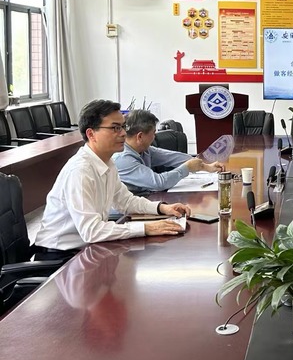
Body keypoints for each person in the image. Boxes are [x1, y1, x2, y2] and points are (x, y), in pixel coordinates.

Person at [33, 100, 190, 258]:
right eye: (115, 128)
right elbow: (91, 231)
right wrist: (147, 228)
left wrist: (162, 208)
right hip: (61, 256)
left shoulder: (107, 162)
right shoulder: (80, 171)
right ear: (91, 134)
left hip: (88, 248)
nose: (123, 133)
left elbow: (126, 201)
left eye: (123, 126)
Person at [113, 109, 224, 193]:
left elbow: (172, 157)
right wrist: (187, 168)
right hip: (125, 212)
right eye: (153, 133)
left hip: (144, 200)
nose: (155, 137)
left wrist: (205, 166)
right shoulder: (123, 159)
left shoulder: (143, 149)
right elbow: (159, 183)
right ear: (140, 137)